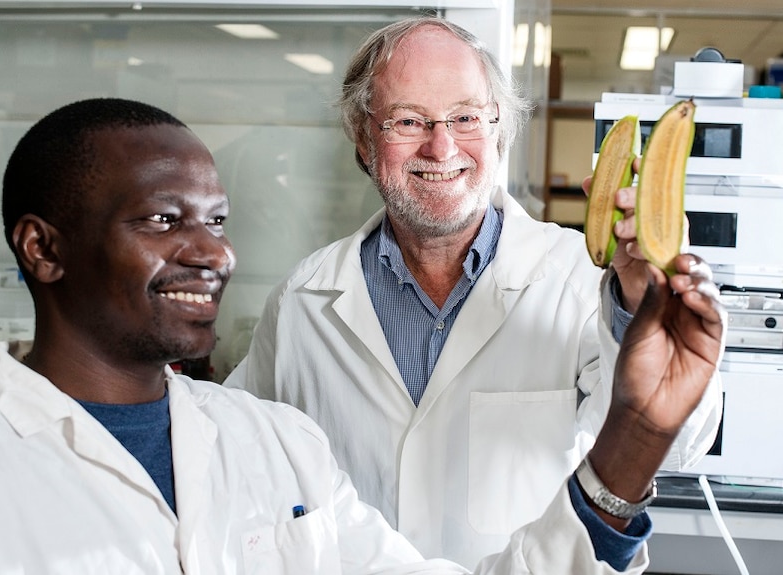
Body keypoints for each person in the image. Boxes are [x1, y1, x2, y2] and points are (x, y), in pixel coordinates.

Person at [0, 96, 722, 574]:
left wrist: (637, 431)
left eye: (216, 221)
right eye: (161, 220)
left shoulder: (274, 448)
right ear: (43, 249)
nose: (213, 253)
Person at [224, 15, 725, 569]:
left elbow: (674, 445)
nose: (442, 148)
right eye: (408, 120)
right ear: (365, 141)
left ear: (497, 132)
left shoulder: (580, 281)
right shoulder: (302, 302)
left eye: (465, 117)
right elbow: (240, 453)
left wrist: (640, 310)